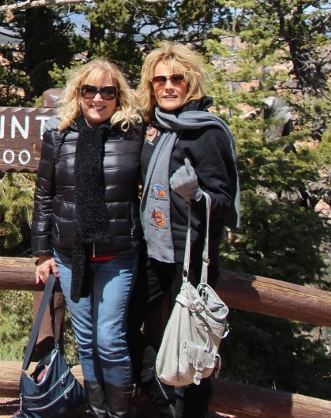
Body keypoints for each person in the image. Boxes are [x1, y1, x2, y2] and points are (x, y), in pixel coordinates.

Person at [128, 42, 239, 418]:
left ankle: (188, 413)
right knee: (120, 326)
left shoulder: (207, 132)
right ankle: (165, 404)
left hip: (191, 257)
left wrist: (197, 195)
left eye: (177, 78)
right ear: (151, 85)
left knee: (194, 346)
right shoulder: (152, 126)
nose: (168, 86)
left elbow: (223, 200)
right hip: (152, 249)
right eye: (160, 80)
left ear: (190, 82)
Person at [32, 59, 143, 418]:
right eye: (90, 90)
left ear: (118, 96)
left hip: (117, 253)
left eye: (108, 91)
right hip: (69, 252)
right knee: (88, 343)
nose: (98, 98)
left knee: (109, 340)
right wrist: (41, 253)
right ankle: (98, 411)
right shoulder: (58, 135)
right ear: (78, 94)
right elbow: (45, 195)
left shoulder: (133, 135)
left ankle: (119, 413)